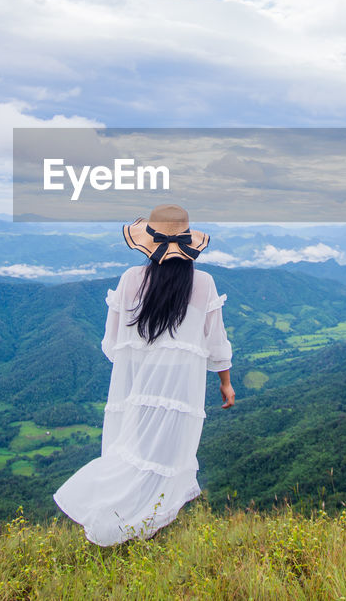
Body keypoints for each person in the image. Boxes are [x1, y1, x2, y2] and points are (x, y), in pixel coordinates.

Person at [53, 204, 235, 545]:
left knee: (131, 452)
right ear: (188, 243)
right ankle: (148, 528)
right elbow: (216, 343)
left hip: (137, 387)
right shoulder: (204, 283)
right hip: (181, 391)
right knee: (167, 458)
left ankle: (120, 523)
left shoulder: (131, 280)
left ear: (148, 245)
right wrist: (225, 383)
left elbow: (113, 343)